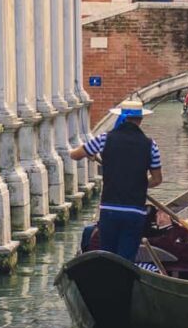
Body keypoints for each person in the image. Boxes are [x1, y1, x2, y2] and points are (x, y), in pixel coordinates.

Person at [69, 100, 163, 261]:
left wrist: (90, 153)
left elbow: (74, 155)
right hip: (135, 211)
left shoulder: (104, 139)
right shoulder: (150, 145)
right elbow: (157, 179)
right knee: (125, 260)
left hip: (109, 209)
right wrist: (136, 184)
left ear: (121, 117)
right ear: (140, 120)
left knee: (108, 258)